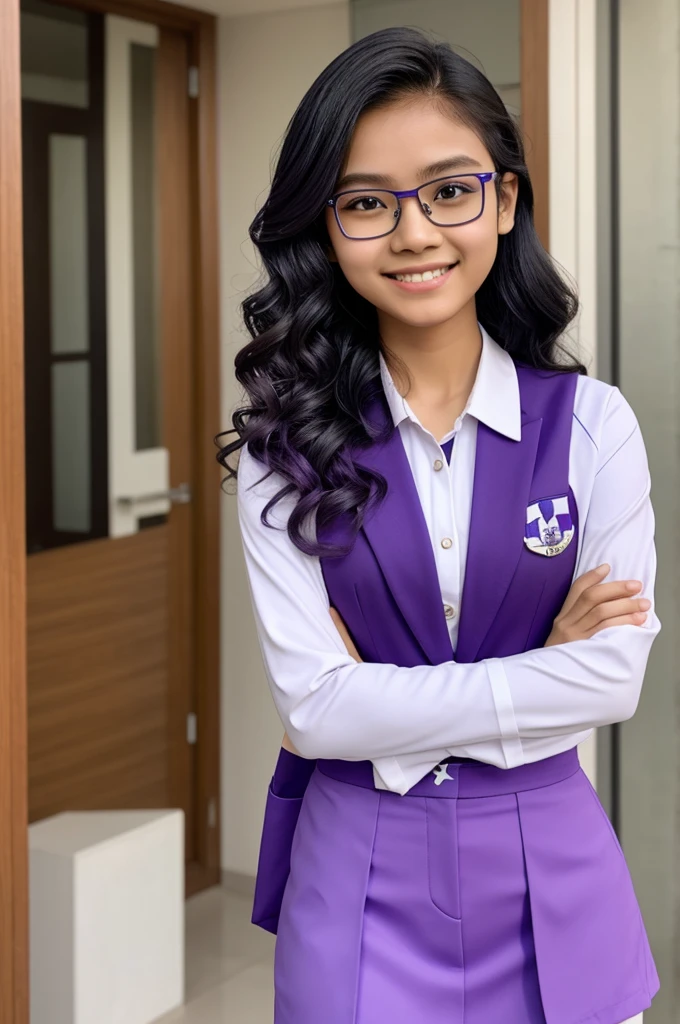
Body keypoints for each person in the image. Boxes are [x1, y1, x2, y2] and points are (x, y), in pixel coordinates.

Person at [216, 26, 660, 1024]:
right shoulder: (280, 454)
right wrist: (538, 668)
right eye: (367, 202)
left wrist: (383, 703)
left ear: (502, 201)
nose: (413, 232)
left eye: (448, 190)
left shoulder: (593, 425)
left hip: (553, 886)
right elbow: (314, 710)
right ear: (325, 229)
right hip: (355, 882)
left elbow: (614, 678)